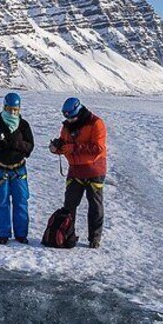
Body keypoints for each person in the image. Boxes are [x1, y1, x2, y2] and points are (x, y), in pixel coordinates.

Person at [48, 97, 107, 248]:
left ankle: (94, 238)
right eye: (67, 117)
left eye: (72, 117)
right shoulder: (67, 126)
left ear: (79, 111)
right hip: (75, 171)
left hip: (94, 170)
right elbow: (63, 143)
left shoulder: (96, 123)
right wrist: (56, 148)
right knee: (69, 205)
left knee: (95, 206)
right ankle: (68, 235)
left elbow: (98, 148)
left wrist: (75, 148)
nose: (70, 120)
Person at [0, 92, 34, 245]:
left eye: (15, 110)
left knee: (21, 201)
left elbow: (30, 147)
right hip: (0, 169)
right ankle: (4, 234)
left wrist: (19, 144)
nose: (12, 112)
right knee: (2, 202)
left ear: (19, 109)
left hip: (19, 170)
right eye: (9, 109)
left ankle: (21, 234)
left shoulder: (23, 125)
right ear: (4, 107)